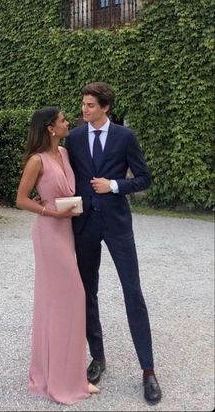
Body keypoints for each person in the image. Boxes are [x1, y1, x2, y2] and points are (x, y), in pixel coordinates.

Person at [65, 82, 162, 404]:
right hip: (85, 226)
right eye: (83, 104)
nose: (84, 110)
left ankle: (148, 370)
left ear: (105, 107)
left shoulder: (125, 137)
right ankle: (98, 358)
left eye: (90, 105)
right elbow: (66, 176)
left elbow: (144, 178)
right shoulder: (75, 137)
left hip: (118, 225)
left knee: (132, 292)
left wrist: (115, 185)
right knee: (87, 292)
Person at [16, 106, 99, 405]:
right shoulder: (36, 161)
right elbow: (21, 199)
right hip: (49, 233)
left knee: (61, 303)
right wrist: (47, 210)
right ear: (50, 127)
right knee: (71, 297)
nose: (68, 123)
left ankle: (70, 375)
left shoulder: (63, 154)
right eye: (63, 120)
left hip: (67, 231)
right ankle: (57, 378)